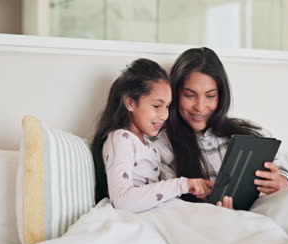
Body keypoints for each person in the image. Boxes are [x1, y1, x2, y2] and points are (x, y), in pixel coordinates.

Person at [152, 47, 288, 209]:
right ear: (175, 94)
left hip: (266, 212)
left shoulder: (249, 132)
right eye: (189, 95)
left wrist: (281, 182)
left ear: (221, 96)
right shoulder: (161, 147)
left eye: (210, 96)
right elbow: (170, 206)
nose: (200, 107)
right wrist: (221, 214)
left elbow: (286, 171)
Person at [91, 58, 213, 213]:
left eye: (167, 107)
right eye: (156, 106)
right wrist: (183, 185)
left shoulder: (151, 147)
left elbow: (160, 191)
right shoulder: (121, 138)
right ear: (130, 103)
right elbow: (121, 200)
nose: (164, 115)